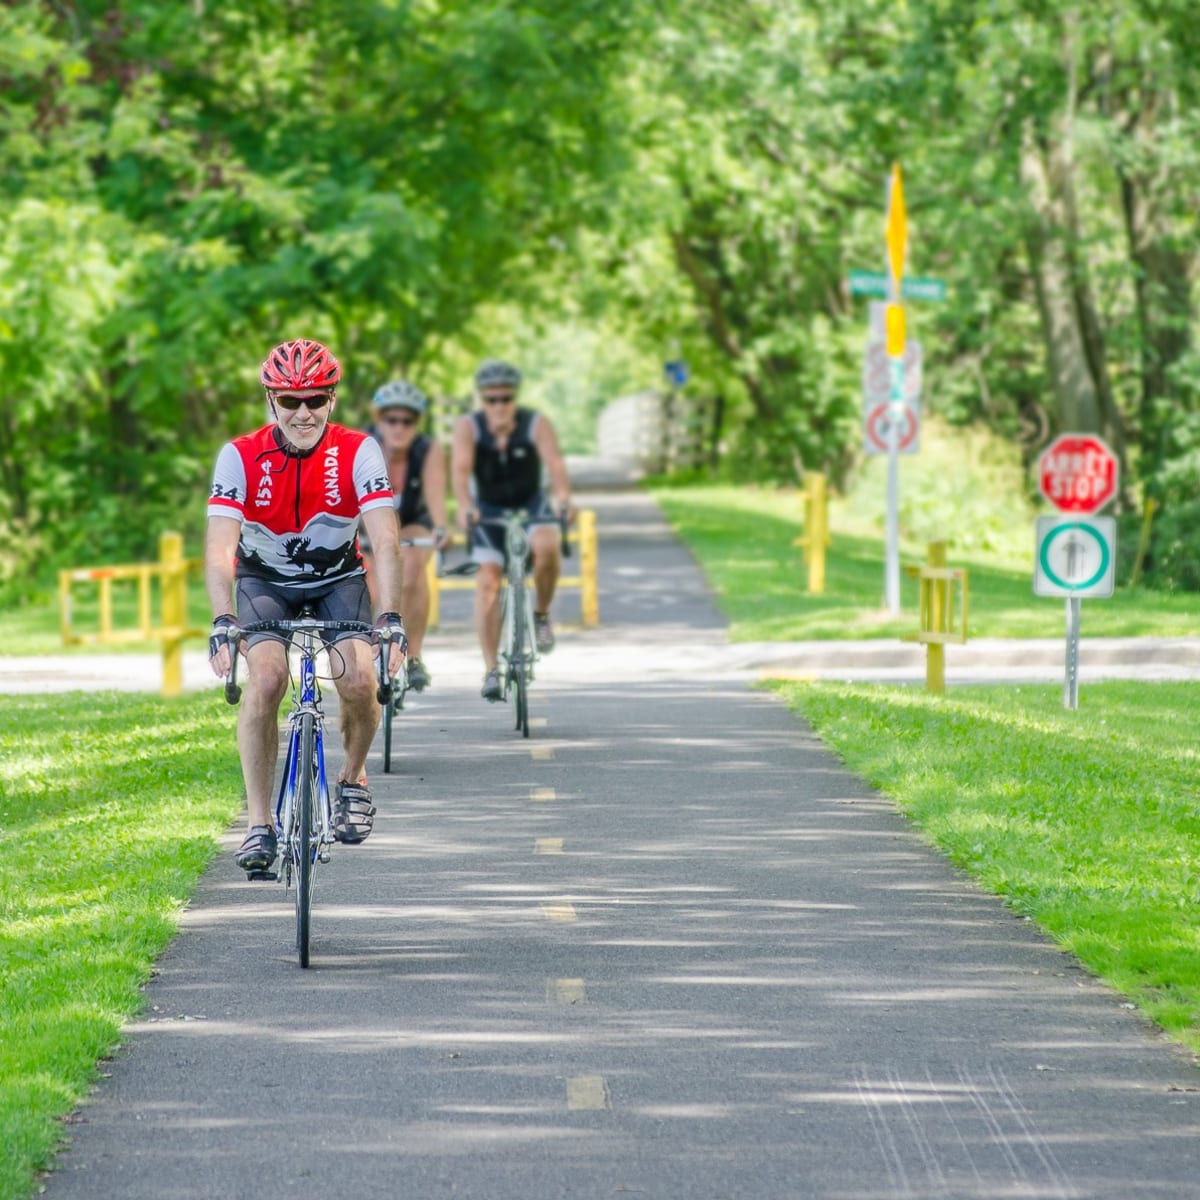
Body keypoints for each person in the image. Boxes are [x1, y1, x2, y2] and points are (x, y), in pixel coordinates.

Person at [205, 338, 407, 876]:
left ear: (332, 400)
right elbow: (220, 545)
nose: (303, 413)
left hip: (339, 577)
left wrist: (390, 618)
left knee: (361, 682)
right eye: (290, 401)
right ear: (271, 401)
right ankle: (258, 824)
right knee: (267, 680)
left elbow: (385, 539)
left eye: (315, 400)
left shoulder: (357, 450)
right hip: (264, 580)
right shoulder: (241, 455)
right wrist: (223, 619)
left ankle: (352, 779)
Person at [450, 358, 574, 702]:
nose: (499, 406)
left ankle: (541, 614)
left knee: (547, 547)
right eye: (492, 399)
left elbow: (555, 464)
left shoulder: (535, 423)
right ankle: (492, 668)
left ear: (514, 398)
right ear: (482, 399)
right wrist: (464, 505)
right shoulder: (469, 428)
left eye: (505, 398)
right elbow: (460, 473)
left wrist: (563, 499)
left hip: (531, 505)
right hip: (488, 510)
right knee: (488, 578)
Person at [362, 380, 450, 693]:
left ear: (417, 424)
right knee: (370, 583)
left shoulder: (427, 450)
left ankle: (413, 657)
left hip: (413, 521)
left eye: (407, 421)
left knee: (411, 569)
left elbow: (436, 495)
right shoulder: (362, 446)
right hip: (365, 524)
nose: (399, 427)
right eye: (391, 420)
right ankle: (366, 656)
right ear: (378, 419)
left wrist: (441, 528)